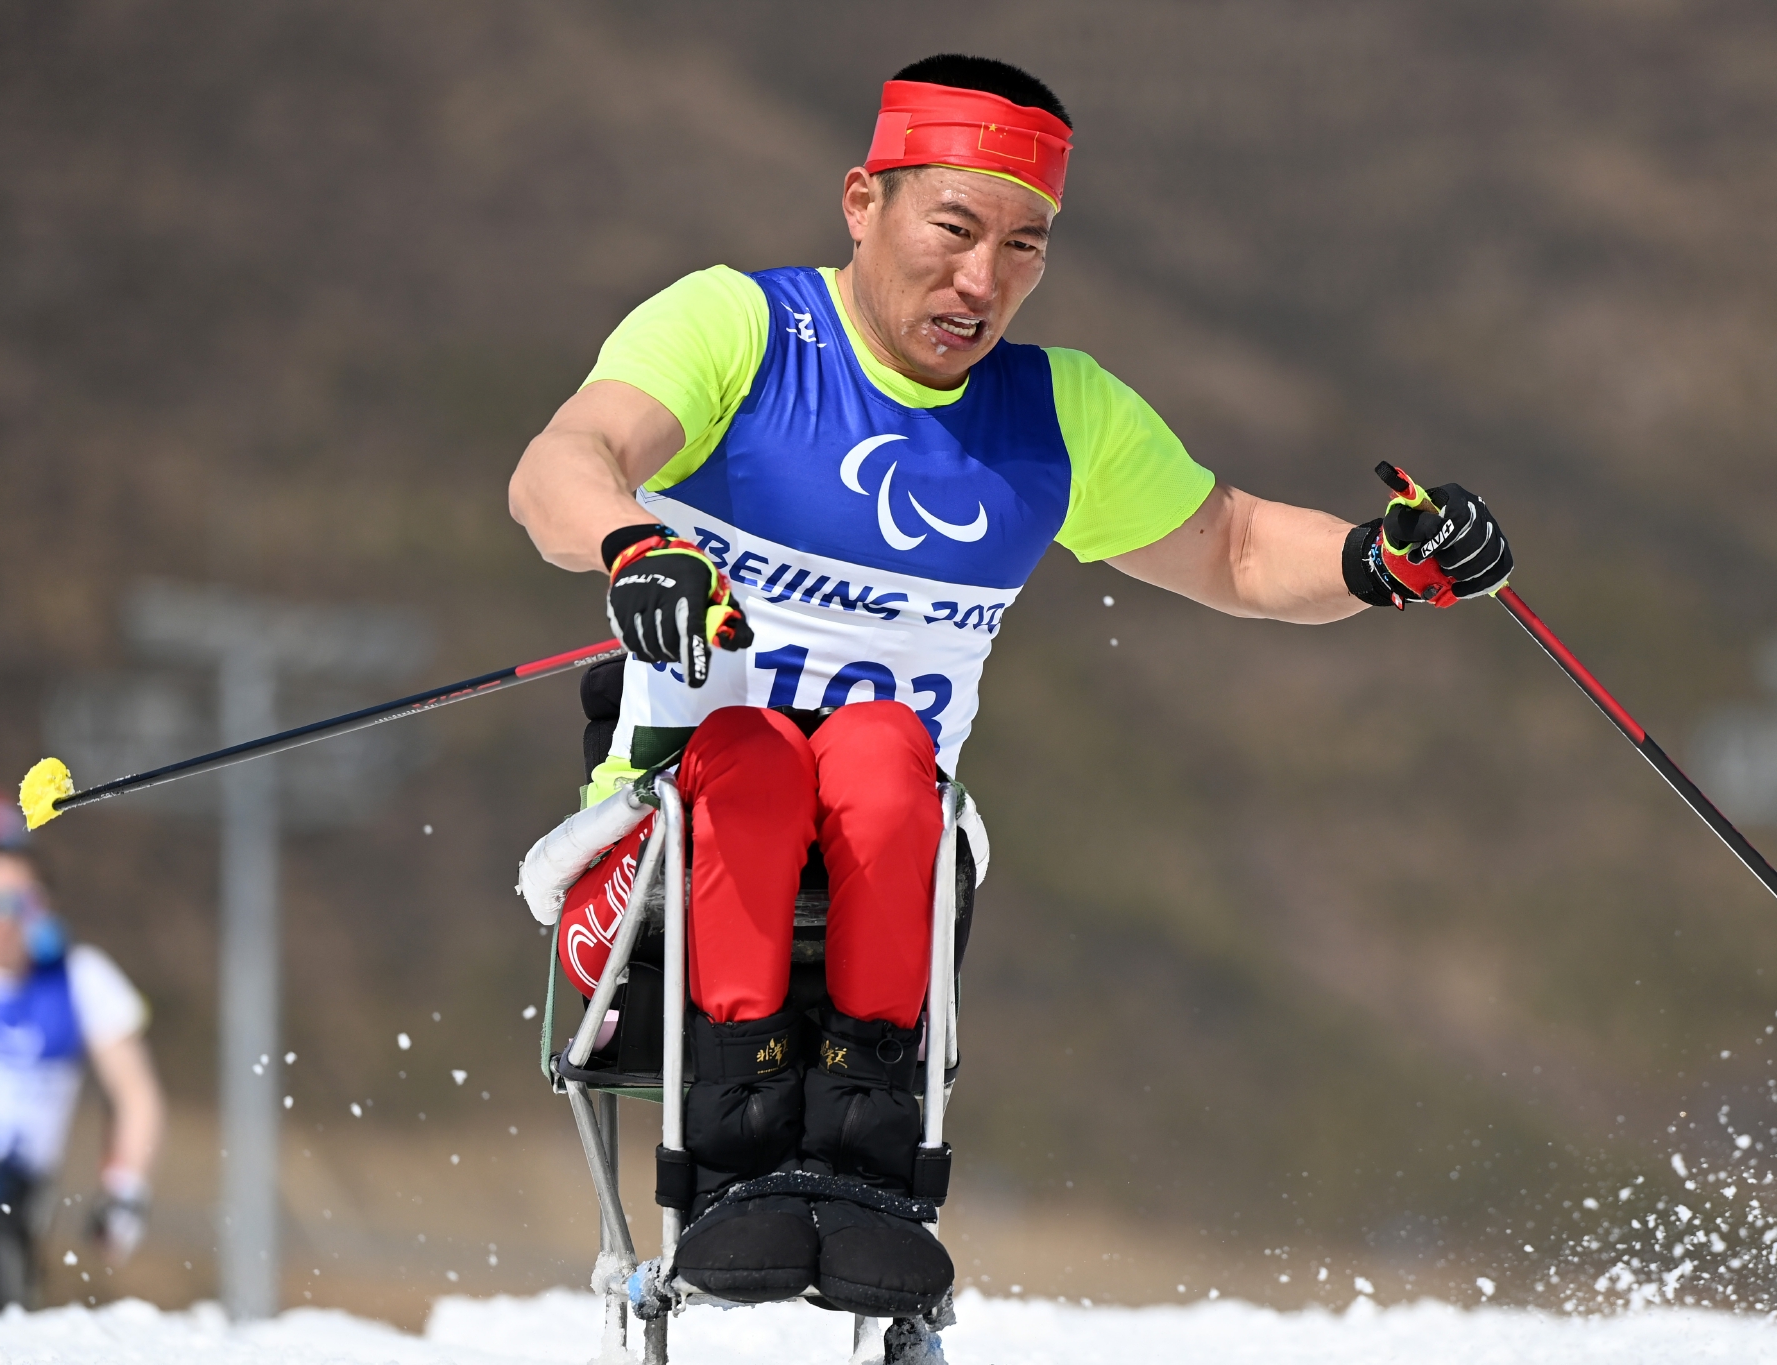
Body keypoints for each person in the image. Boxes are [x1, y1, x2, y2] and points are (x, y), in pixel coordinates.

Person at [507, 54, 1510, 1317]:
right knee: (759, 756)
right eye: (954, 229)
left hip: (887, 863)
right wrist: (632, 543)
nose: (982, 282)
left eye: (1024, 245)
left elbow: (1235, 548)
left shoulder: (1056, 412)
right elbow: (566, 460)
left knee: (877, 752)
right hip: (662, 866)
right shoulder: (739, 329)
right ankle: (736, 1157)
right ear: (862, 201)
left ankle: (868, 1174)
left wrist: (1381, 563)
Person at [0, 814, 165, 1310]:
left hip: (10, 1203)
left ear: (45, 909)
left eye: (19, 904)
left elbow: (136, 1094)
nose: (0, 918)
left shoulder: (80, 978)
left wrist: (125, 1191)